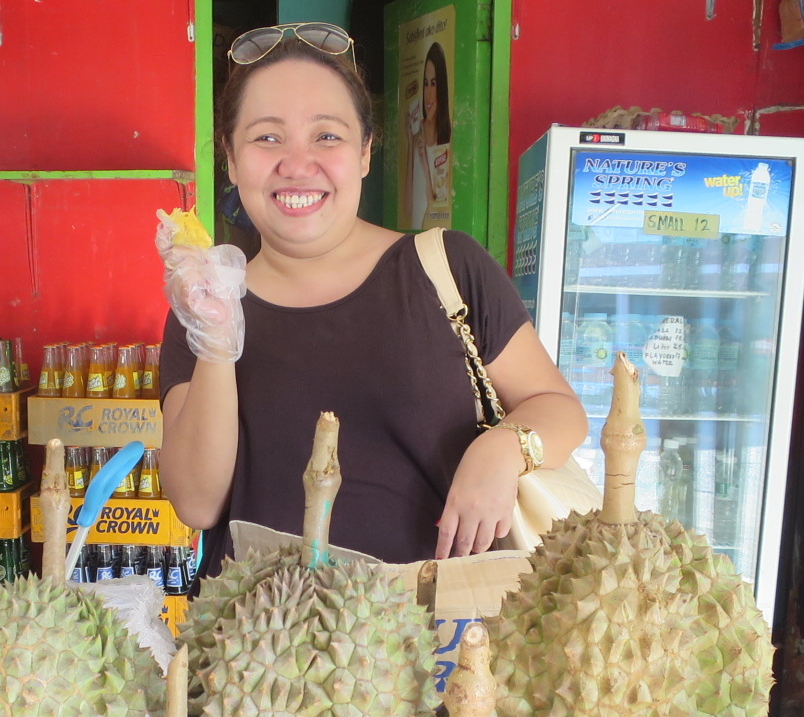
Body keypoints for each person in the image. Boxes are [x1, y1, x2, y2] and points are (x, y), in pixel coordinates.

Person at [156, 21, 586, 571]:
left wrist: (505, 448)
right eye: (266, 137)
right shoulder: (204, 306)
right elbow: (196, 502)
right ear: (232, 159)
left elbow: (561, 410)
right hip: (261, 643)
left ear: (364, 152)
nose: (296, 163)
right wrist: (216, 337)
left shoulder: (446, 268)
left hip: (441, 637)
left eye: (327, 136)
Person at [408, 41, 453, 230]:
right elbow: (407, 204)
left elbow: (437, 200)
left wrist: (426, 165)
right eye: (426, 84)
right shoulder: (415, 133)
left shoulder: (448, 138)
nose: (429, 93)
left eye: (434, 84)